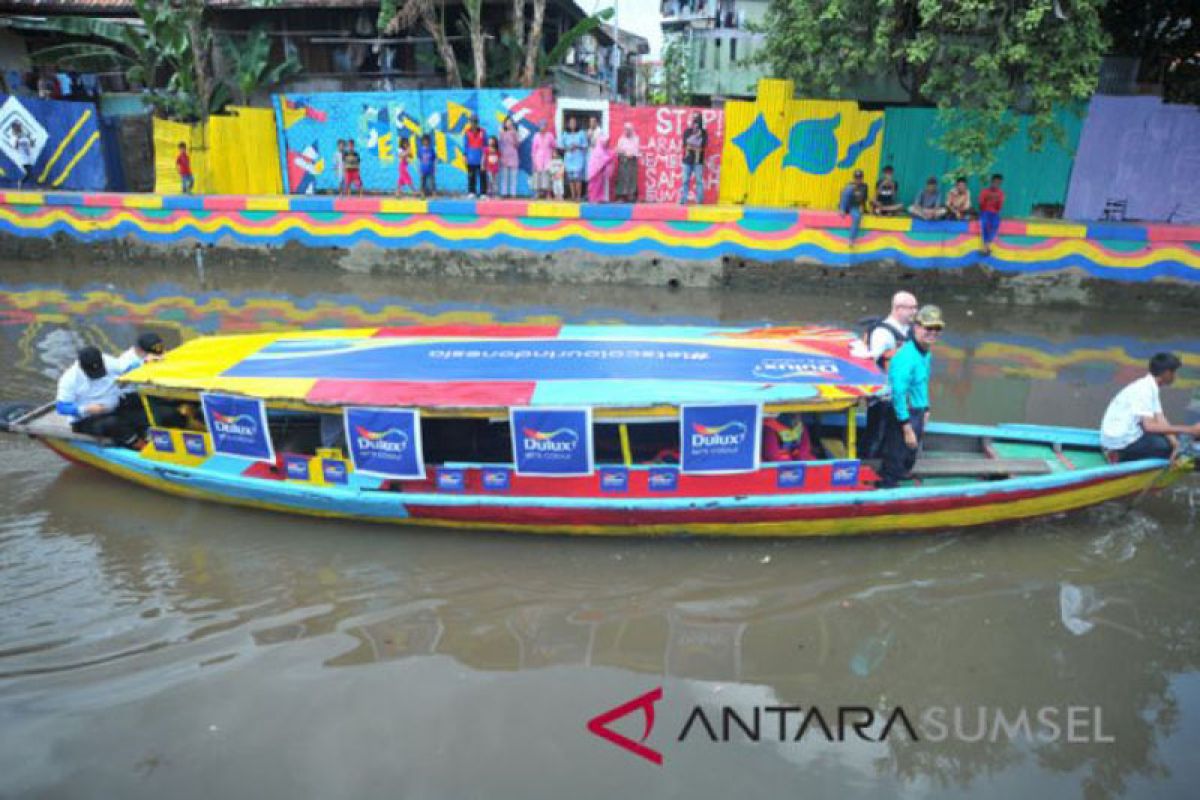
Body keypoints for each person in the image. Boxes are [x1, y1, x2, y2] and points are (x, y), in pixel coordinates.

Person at [878, 305, 944, 488]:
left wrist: (927, 409)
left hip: (918, 409)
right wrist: (906, 427)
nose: (933, 333)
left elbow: (922, 384)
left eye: (937, 329)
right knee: (897, 453)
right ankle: (888, 485)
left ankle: (902, 474)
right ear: (916, 327)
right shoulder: (906, 357)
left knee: (910, 452)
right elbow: (898, 395)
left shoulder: (926, 351)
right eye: (928, 328)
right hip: (903, 412)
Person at [1101, 353, 1199, 462]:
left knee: (1174, 441)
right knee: (1165, 447)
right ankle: (1119, 455)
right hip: (1119, 442)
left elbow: (1160, 419)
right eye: (1174, 372)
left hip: (1124, 435)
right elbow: (1150, 426)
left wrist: (1176, 444)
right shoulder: (1144, 389)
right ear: (1166, 373)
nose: (1175, 376)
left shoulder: (1150, 386)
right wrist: (1190, 430)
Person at [861, 291, 918, 458]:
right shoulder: (882, 333)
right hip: (883, 395)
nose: (914, 312)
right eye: (911, 308)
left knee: (894, 431)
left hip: (901, 391)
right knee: (877, 431)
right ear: (898, 308)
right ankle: (869, 462)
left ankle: (888, 458)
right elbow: (871, 360)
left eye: (916, 307)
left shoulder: (908, 329)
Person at [56, 346, 138, 445]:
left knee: (139, 404)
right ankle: (138, 445)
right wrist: (86, 409)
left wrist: (145, 362)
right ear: (81, 367)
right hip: (86, 419)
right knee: (113, 423)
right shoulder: (69, 379)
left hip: (115, 408)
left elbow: (129, 367)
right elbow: (61, 407)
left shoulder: (108, 361)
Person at [114, 332, 165, 431]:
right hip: (131, 399)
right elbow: (119, 384)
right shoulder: (125, 361)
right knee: (162, 414)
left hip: (152, 391)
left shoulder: (155, 353)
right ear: (139, 350)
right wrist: (142, 365)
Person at [679, 113, 707, 205]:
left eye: (698, 121)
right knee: (685, 180)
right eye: (695, 121)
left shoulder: (704, 133)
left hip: (698, 161)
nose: (696, 124)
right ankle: (683, 200)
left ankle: (699, 201)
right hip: (687, 160)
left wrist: (692, 144)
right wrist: (696, 139)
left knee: (699, 181)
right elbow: (685, 143)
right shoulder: (687, 131)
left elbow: (703, 144)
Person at [561, 117, 587, 201]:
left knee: (578, 179)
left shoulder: (581, 133)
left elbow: (585, 146)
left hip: (578, 158)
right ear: (568, 124)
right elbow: (561, 146)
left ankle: (578, 196)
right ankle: (573, 196)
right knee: (571, 179)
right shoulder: (565, 134)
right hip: (569, 159)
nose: (572, 124)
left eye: (574, 123)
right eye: (571, 123)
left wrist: (577, 146)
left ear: (576, 124)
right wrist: (568, 148)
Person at [838, 169, 868, 241]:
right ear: (854, 178)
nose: (858, 180)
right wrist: (842, 208)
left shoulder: (864, 187)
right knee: (848, 189)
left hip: (854, 207)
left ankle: (851, 239)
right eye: (856, 178)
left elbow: (864, 199)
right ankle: (842, 209)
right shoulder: (850, 185)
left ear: (862, 178)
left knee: (857, 217)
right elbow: (843, 197)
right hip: (847, 205)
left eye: (860, 178)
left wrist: (863, 208)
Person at [978, 173, 1005, 255]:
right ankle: (986, 247)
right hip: (985, 211)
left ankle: (987, 246)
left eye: (998, 183)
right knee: (984, 225)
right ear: (991, 182)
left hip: (995, 213)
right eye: (995, 182)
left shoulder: (1001, 194)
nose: (996, 184)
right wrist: (985, 209)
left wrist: (995, 210)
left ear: (1000, 184)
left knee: (995, 225)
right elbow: (981, 203)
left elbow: (999, 206)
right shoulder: (984, 191)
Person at [614, 122, 640, 203]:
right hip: (623, 161)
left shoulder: (636, 139)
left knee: (632, 179)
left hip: (632, 161)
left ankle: (631, 196)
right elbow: (618, 150)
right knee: (622, 178)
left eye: (629, 130)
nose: (627, 131)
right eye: (626, 130)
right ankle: (621, 197)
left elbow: (637, 150)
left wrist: (632, 155)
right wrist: (624, 154)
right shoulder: (621, 139)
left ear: (631, 130)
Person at [586, 132, 615, 204]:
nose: (607, 143)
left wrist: (613, 153)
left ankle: (599, 198)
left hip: (600, 171)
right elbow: (604, 159)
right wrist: (612, 156)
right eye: (606, 142)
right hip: (595, 172)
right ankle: (593, 199)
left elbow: (609, 154)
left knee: (600, 185)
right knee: (594, 186)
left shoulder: (604, 150)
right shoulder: (598, 150)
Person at [531, 122, 556, 199]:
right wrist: (533, 160)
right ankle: (537, 193)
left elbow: (554, 145)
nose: (542, 128)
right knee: (537, 176)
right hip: (538, 158)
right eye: (541, 127)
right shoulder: (536, 136)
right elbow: (534, 149)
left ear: (546, 127)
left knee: (547, 176)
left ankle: (548, 194)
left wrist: (553, 154)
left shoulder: (550, 136)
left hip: (548, 157)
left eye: (544, 127)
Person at [498, 117, 521, 198]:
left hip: (513, 156)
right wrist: (501, 133)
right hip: (504, 156)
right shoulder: (501, 133)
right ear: (504, 123)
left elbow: (517, 144)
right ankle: (504, 193)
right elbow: (499, 144)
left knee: (513, 177)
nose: (509, 124)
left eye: (510, 122)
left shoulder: (515, 133)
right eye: (507, 122)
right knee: (504, 176)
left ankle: (513, 194)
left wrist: (515, 134)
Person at [464, 117, 486, 197]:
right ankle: (471, 192)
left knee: (482, 176)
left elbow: (485, 145)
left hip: (481, 157)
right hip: (471, 158)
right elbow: (465, 146)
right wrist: (465, 156)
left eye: (475, 122)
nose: (473, 124)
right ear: (470, 123)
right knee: (471, 176)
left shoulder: (483, 132)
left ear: (477, 123)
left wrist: (484, 156)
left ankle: (483, 193)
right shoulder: (467, 132)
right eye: (472, 122)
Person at [12, 122, 35, 190]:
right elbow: (15, 147)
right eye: (18, 127)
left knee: (30, 174)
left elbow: (32, 145)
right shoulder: (14, 137)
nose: (20, 129)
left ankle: (23, 184)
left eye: (20, 127)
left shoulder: (25, 136)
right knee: (28, 173)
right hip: (21, 159)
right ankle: (20, 183)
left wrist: (30, 138)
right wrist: (18, 139)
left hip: (28, 158)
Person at [417, 134, 437, 198]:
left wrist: (435, 167)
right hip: (423, 169)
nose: (426, 142)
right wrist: (419, 169)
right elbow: (419, 160)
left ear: (429, 141)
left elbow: (434, 159)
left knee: (432, 182)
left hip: (430, 169)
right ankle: (422, 194)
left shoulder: (431, 149)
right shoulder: (420, 150)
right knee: (423, 182)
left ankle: (434, 194)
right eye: (424, 141)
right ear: (422, 142)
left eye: (427, 141)